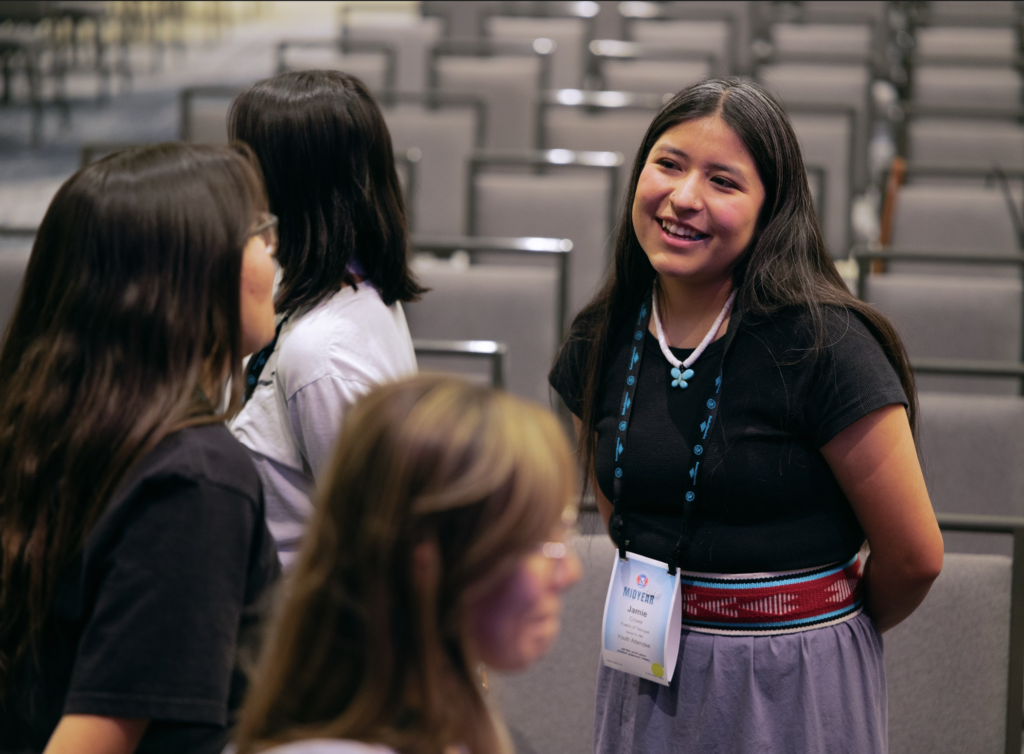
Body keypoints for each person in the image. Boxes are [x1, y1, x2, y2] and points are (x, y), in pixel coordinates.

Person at [549, 78, 944, 753]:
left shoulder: (825, 344)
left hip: (793, 674)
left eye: (723, 181)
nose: (684, 197)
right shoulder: (602, 335)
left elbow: (914, 557)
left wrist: (814, 630)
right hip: (648, 666)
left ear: (771, 211)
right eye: (669, 164)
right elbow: (627, 516)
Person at [0, 144, 281, 754]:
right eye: (257, 232)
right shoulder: (193, 480)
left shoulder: (40, 425)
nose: (272, 250)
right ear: (189, 273)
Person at [232, 375, 582, 754]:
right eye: (540, 542)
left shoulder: (451, 729)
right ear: (428, 566)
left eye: (563, 532)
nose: (570, 572)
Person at [228, 70, 425, 565]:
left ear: (285, 185)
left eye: (244, 166)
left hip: (288, 606)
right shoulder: (334, 281)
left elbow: (373, 556)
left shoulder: (324, 354)